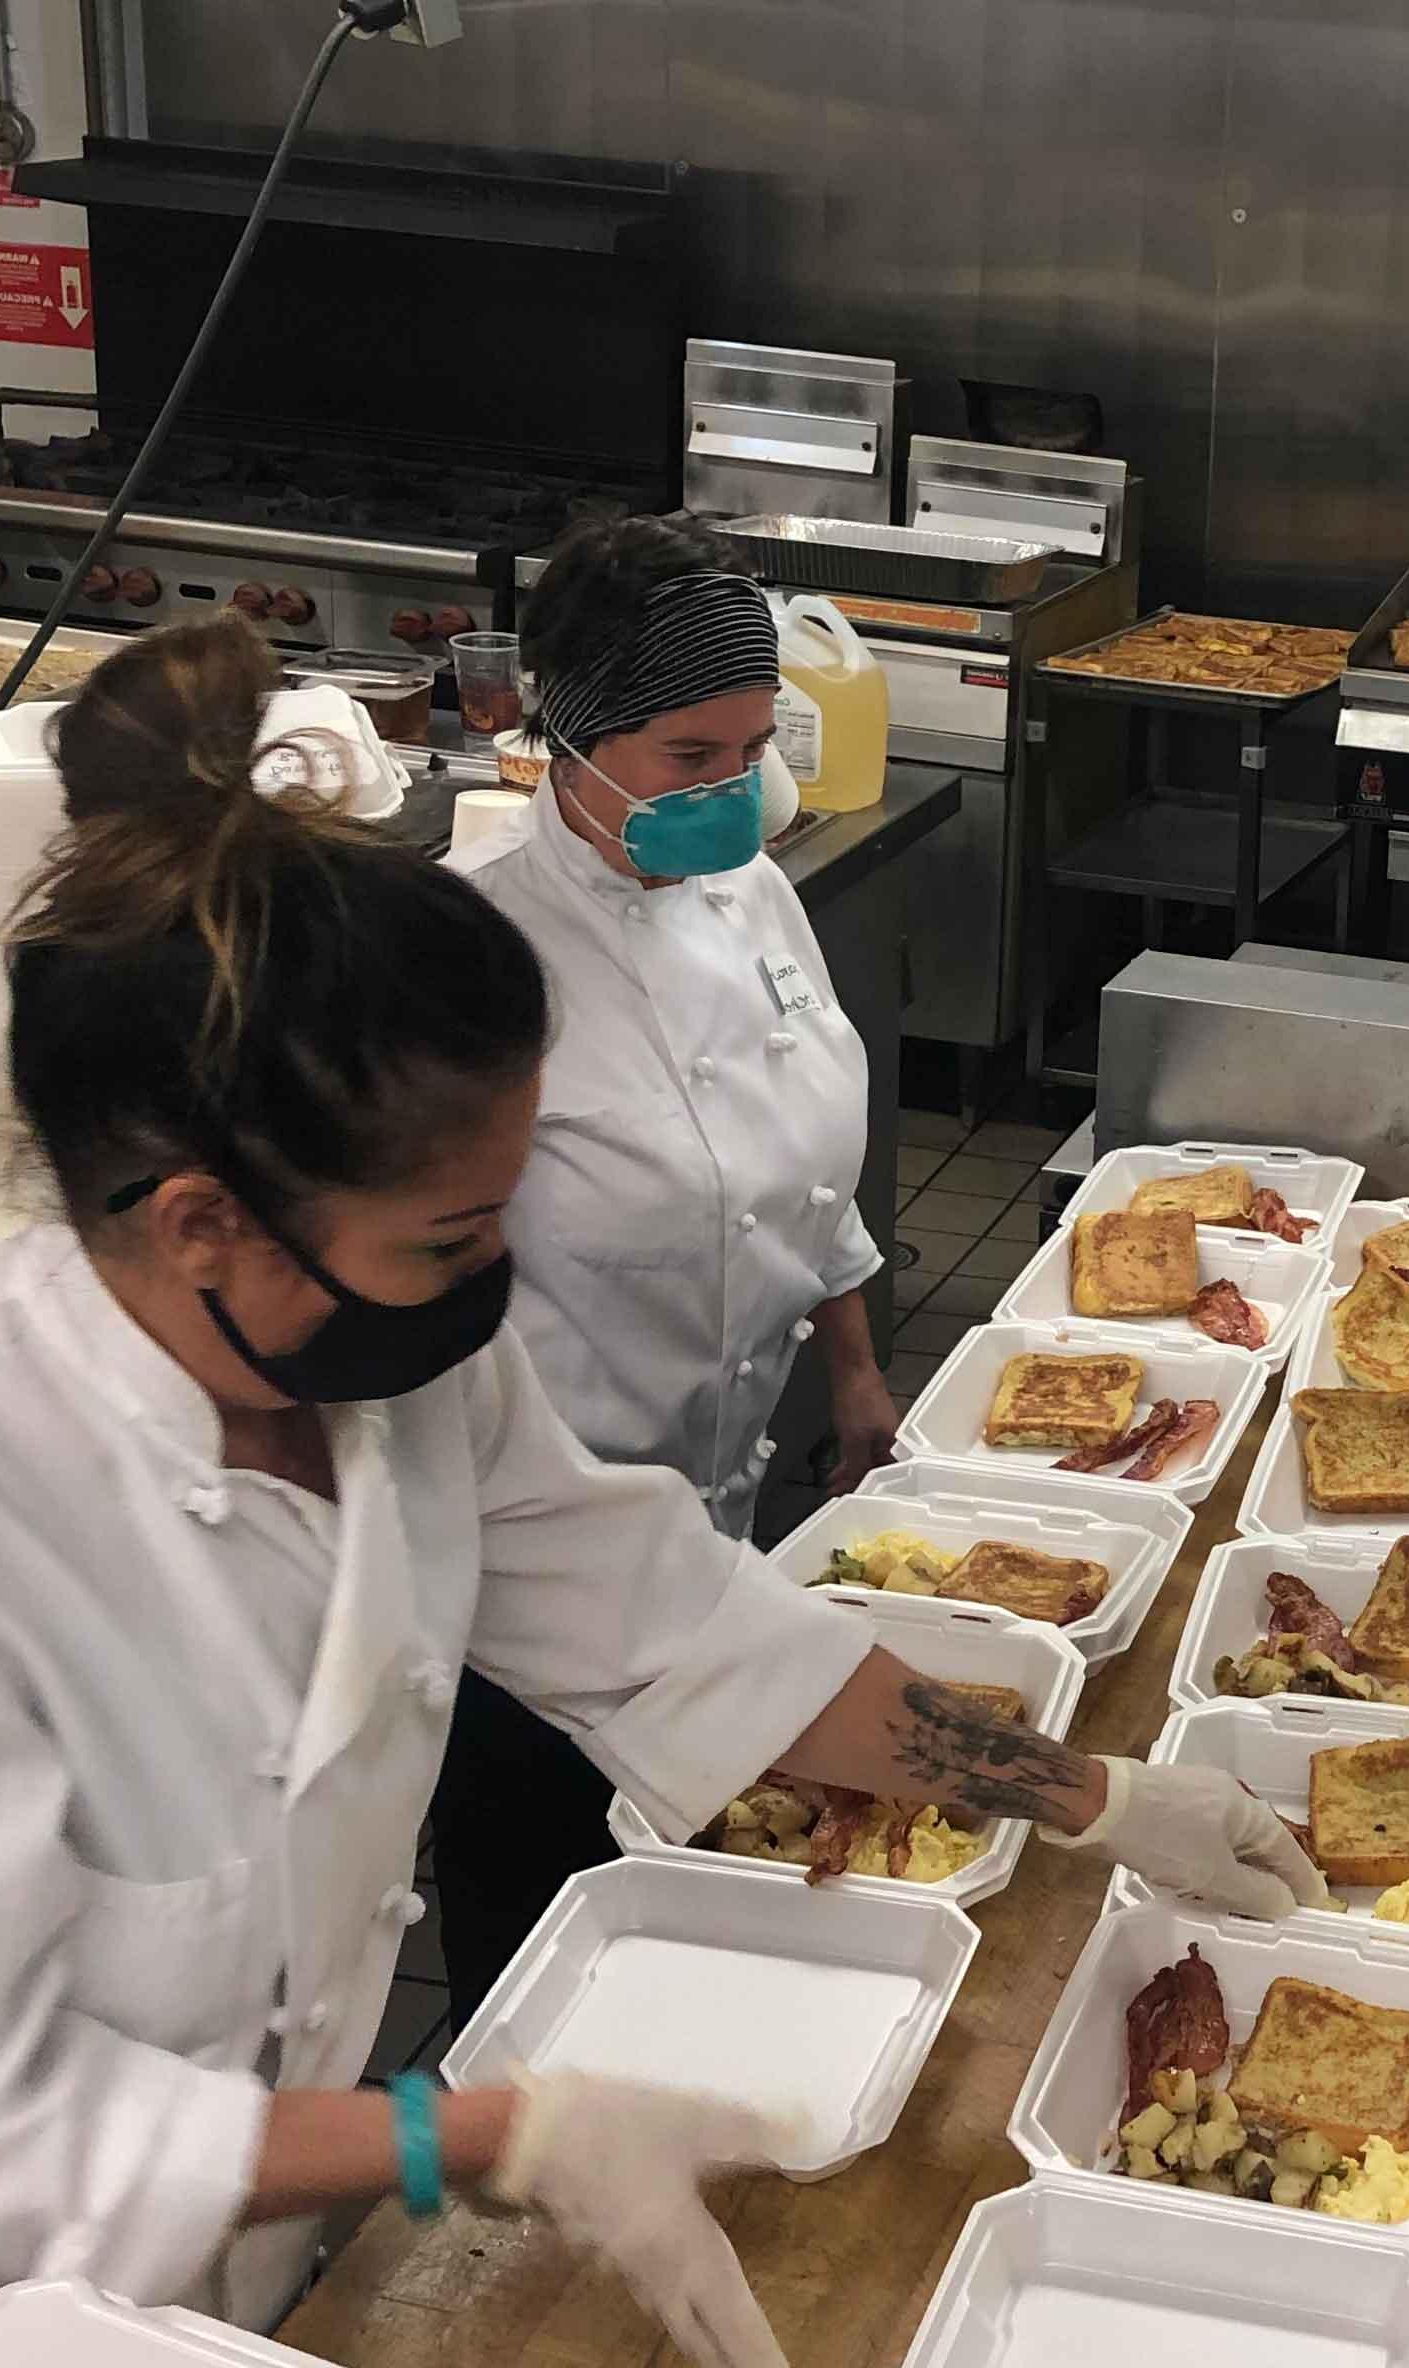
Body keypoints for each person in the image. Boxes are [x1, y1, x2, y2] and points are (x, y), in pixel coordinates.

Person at [0, 617, 1321, 2368]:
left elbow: (685, 1630)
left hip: (236, 2313)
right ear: (197, 1223)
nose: (498, 1278)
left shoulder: (388, 1376)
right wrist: (462, 2130)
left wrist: (1090, 1794)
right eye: (449, 1240)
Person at [436, 518, 898, 2013]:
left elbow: (808, 1159)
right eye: (693, 757)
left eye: (755, 748)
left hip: (732, 1499)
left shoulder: (754, 894)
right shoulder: (482, 970)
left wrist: (857, 1366)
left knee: (709, 1880)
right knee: (547, 1929)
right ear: (561, 734)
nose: (737, 793)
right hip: (536, 1556)